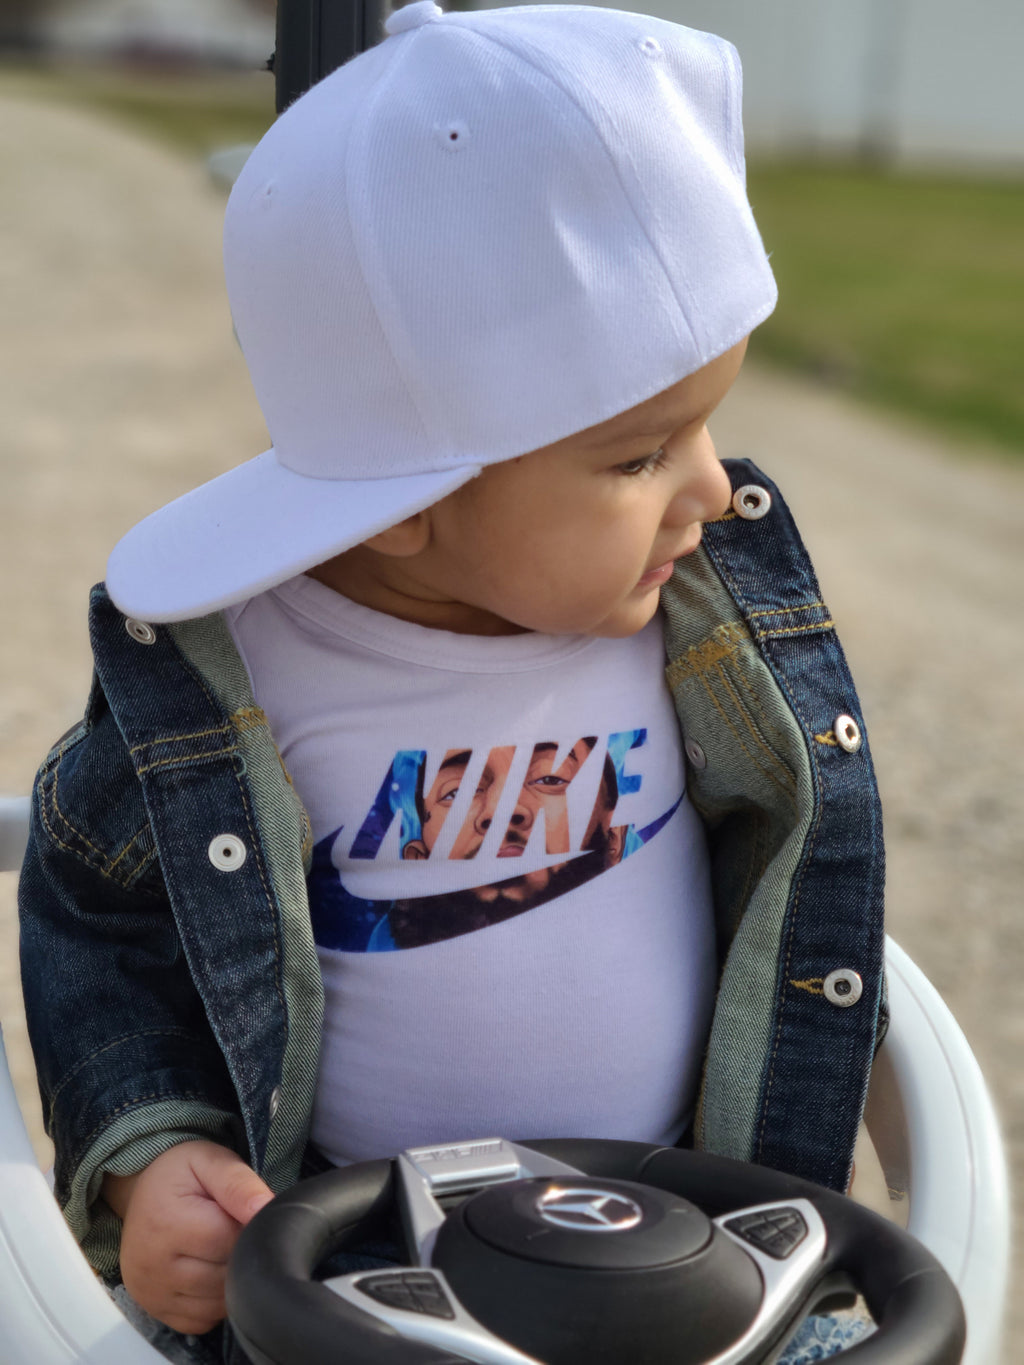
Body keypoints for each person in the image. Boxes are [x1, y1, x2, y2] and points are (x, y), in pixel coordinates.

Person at [18, 4, 884, 1362]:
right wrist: (149, 1148)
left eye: (711, 422)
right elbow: (100, 919)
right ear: (399, 506)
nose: (716, 491)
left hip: (690, 1239)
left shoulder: (691, 619)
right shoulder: (231, 678)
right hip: (353, 1276)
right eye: (638, 454)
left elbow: (800, 878)